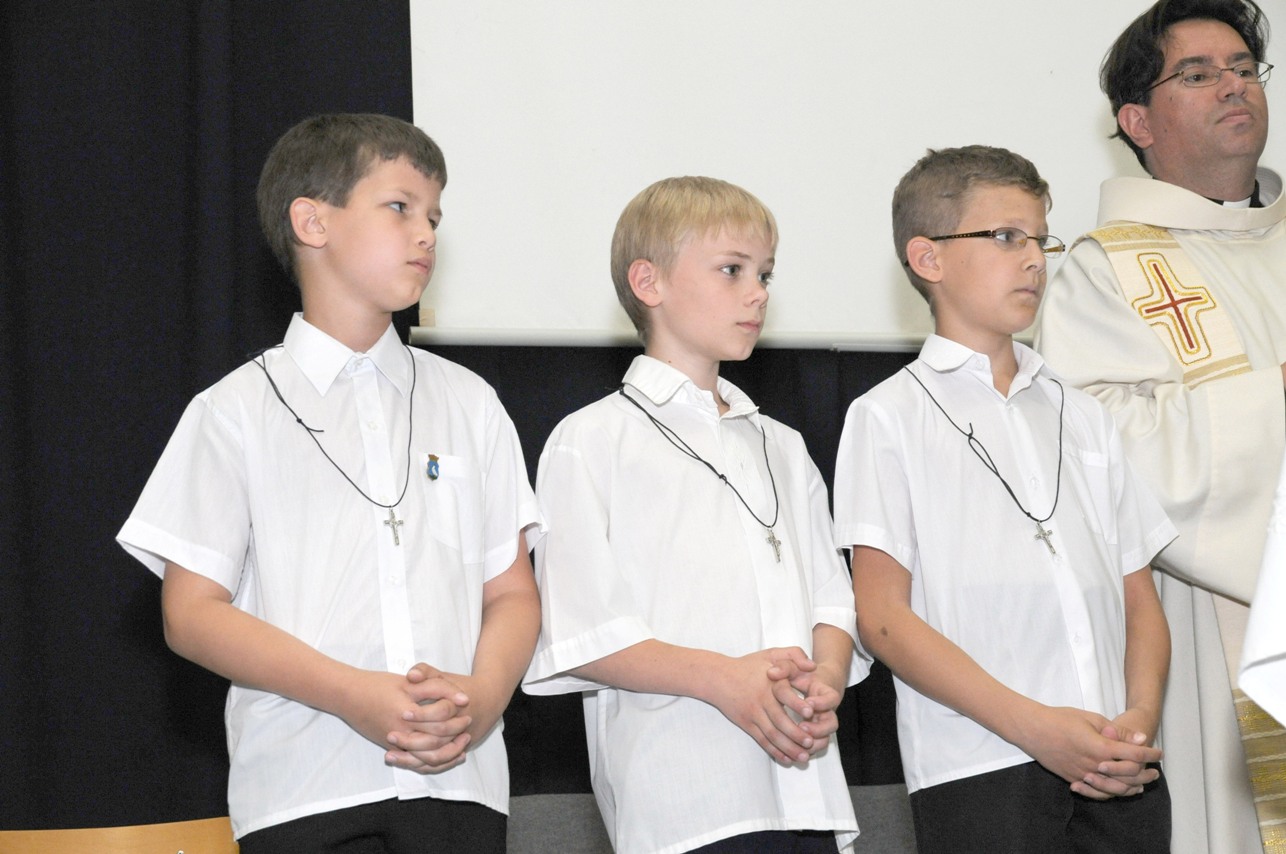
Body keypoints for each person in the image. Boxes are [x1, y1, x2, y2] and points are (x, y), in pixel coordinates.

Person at [116, 114, 541, 852]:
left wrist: (483, 696)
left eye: (435, 217)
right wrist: (353, 693)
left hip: (461, 789)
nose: (426, 234)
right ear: (312, 222)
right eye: (400, 207)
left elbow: (511, 594)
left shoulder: (469, 402)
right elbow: (190, 613)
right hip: (305, 789)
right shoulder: (234, 411)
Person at [834, 146, 1176, 854]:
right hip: (981, 767)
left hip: (1119, 765)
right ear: (928, 258)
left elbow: (1138, 598)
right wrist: (1035, 727)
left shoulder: (1082, 414)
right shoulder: (888, 415)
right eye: (1005, 236)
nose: (1033, 260)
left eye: (1040, 239)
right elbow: (884, 617)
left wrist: (1139, 718)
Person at [522, 176, 866, 854]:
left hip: (808, 792)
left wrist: (824, 681)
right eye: (732, 270)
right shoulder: (592, 439)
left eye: (765, 273)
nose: (758, 292)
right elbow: (585, 630)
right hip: (685, 799)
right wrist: (725, 679)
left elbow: (834, 602)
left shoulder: (782, 445)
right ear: (648, 282)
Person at [1033, 1, 1286, 850]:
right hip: (1218, 623)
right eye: (1199, 74)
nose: (1233, 86)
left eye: (1244, 68)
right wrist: (1274, 398)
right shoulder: (1107, 269)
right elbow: (1103, 450)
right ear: (1137, 121)